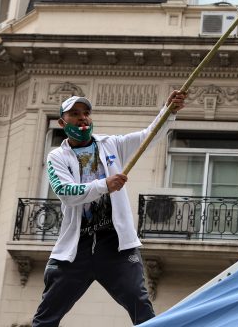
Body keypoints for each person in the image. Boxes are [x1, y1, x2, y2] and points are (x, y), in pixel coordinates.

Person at [32, 90, 187, 327]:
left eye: (86, 113)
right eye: (75, 114)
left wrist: (169, 111)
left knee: (141, 306)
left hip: (116, 245)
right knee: (46, 318)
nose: (83, 118)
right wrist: (105, 184)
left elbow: (148, 137)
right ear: (63, 123)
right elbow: (65, 191)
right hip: (77, 246)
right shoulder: (57, 157)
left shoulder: (111, 144)